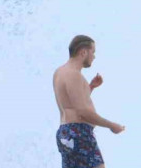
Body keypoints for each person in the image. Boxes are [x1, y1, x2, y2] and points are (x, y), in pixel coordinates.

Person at [53, 35, 125, 168]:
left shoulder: (60, 72)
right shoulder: (74, 74)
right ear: (83, 52)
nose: (94, 57)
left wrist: (90, 87)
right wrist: (111, 125)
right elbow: (83, 112)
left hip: (65, 133)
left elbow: (71, 103)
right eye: (93, 52)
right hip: (79, 133)